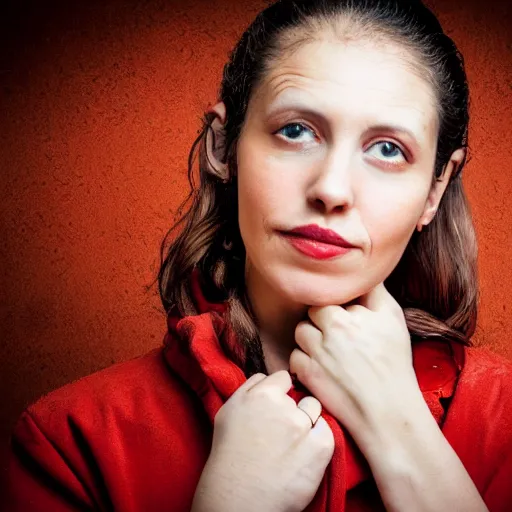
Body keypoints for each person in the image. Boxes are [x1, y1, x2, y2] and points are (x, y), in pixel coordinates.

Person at [3, 0, 512, 510]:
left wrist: (402, 434)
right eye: (296, 131)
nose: (332, 189)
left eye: (387, 149)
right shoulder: (72, 442)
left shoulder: (503, 419)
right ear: (223, 147)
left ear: (434, 188)